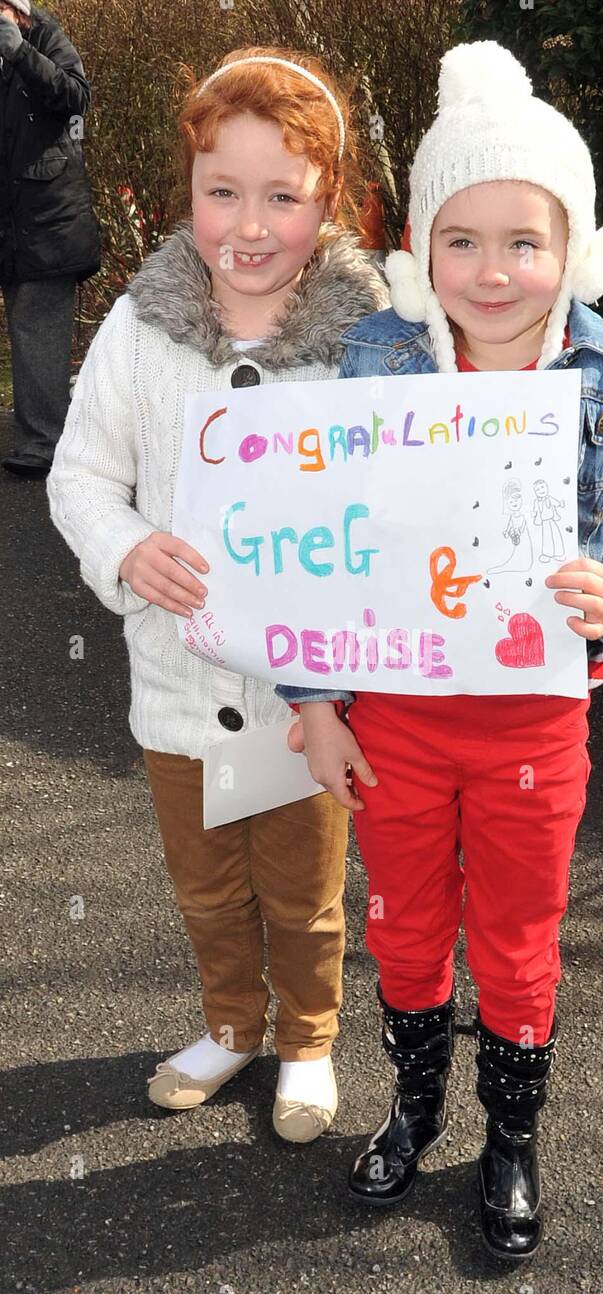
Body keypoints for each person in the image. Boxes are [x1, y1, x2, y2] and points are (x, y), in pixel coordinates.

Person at [279, 42, 603, 1250]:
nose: (495, 271)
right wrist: (313, 701)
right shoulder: (374, 362)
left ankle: (511, 1141)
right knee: (405, 923)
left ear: (574, 249)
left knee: (516, 937)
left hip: (533, 721)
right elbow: (322, 544)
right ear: (419, 250)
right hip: (395, 717)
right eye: (463, 240)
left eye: (526, 241)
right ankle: (416, 1111)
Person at [47, 46, 388, 1142]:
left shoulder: (370, 347)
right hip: (182, 687)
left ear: (326, 200)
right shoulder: (137, 334)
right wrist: (127, 544)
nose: (249, 224)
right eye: (221, 191)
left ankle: (307, 1040)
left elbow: (406, 498)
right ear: (186, 189)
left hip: (305, 703)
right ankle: (232, 1023)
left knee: (303, 887)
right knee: (206, 885)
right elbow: (81, 474)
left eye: (281, 197)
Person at [0, 1, 100, 478]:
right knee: (29, 329)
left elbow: (75, 97)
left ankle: (45, 443)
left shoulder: (45, 38)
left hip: (46, 220)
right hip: (8, 218)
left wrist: (20, 53)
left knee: (36, 328)